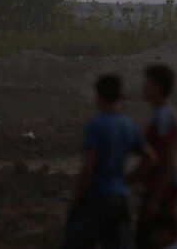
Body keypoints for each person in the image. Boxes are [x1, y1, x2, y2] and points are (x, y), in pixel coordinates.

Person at [62, 74, 158, 249]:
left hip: (96, 199)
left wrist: (75, 201)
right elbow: (151, 159)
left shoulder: (95, 126)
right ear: (120, 96)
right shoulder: (128, 125)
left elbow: (87, 170)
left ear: (97, 95)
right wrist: (127, 180)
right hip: (119, 199)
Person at [133, 65, 177, 249]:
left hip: (161, 189)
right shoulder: (163, 114)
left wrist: (155, 197)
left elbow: (167, 160)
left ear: (158, 87)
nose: (143, 87)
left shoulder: (162, 118)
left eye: (147, 83)